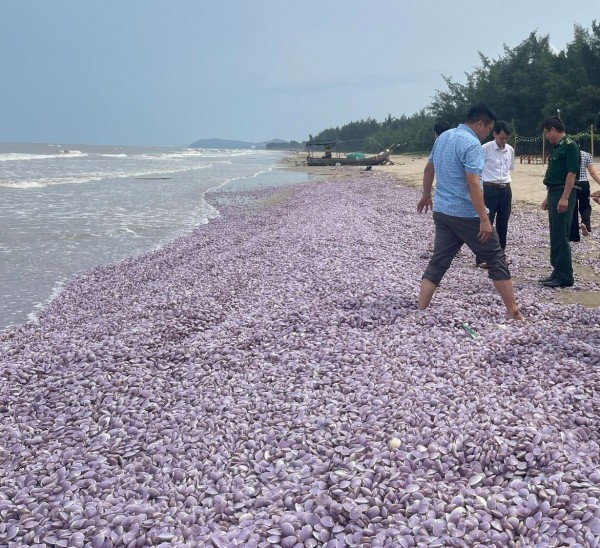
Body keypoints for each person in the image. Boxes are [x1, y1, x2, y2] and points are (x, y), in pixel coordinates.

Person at [417, 103, 523, 320]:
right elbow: (473, 182)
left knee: (439, 261)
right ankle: (512, 311)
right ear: (480, 124)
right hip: (467, 214)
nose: (487, 135)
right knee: (495, 258)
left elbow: (429, 168)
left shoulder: (443, 137)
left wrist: (426, 194)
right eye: (487, 129)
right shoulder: (472, 144)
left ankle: (421, 309)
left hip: (443, 211)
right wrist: (484, 218)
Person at [539, 117, 580, 288]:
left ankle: (565, 276)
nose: (547, 136)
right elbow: (555, 176)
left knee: (561, 235)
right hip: (555, 193)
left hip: (564, 193)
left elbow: (571, 174)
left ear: (553, 129)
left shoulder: (569, 145)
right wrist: (549, 198)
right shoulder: (558, 147)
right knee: (555, 234)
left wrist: (564, 197)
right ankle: (558, 269)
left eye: (547, 133)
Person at [475, 121, 515, 268]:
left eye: (506, 138)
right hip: (489, 189)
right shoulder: (484, 149)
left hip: (505, 189)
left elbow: (509, 169)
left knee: (503, 223)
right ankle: (482, 258)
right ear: (495, 134)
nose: (504, 141)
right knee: (487, 223)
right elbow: (477, 171)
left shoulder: (510, 150)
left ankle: (500, 255)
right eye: (501, 138)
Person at [569, 149, 600, 241]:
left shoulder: (568, 153)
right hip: (584, 184)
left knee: (572, 208)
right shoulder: (586, 154)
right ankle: (585, 224)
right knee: (585, 206)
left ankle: (574, 236)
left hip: (572, 183)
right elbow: (593, 172)